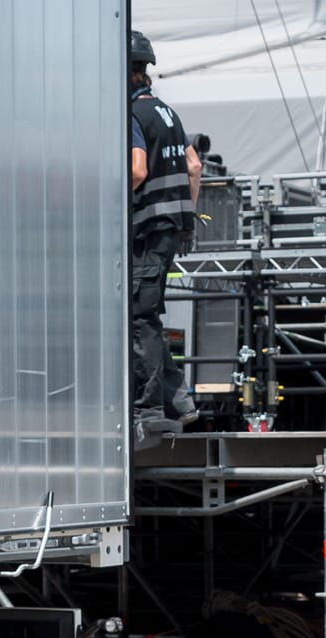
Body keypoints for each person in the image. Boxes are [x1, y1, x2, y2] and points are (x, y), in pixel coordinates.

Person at [129, 29, 202, 435]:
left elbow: (137, 170)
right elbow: (194, 166)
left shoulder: (132, 114)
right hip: (171, 228)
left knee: (141, 318)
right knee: (147, 314)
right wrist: (186, 215)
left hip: (148, 229)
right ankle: (179, 399)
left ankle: (150, 409)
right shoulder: (168, 112)